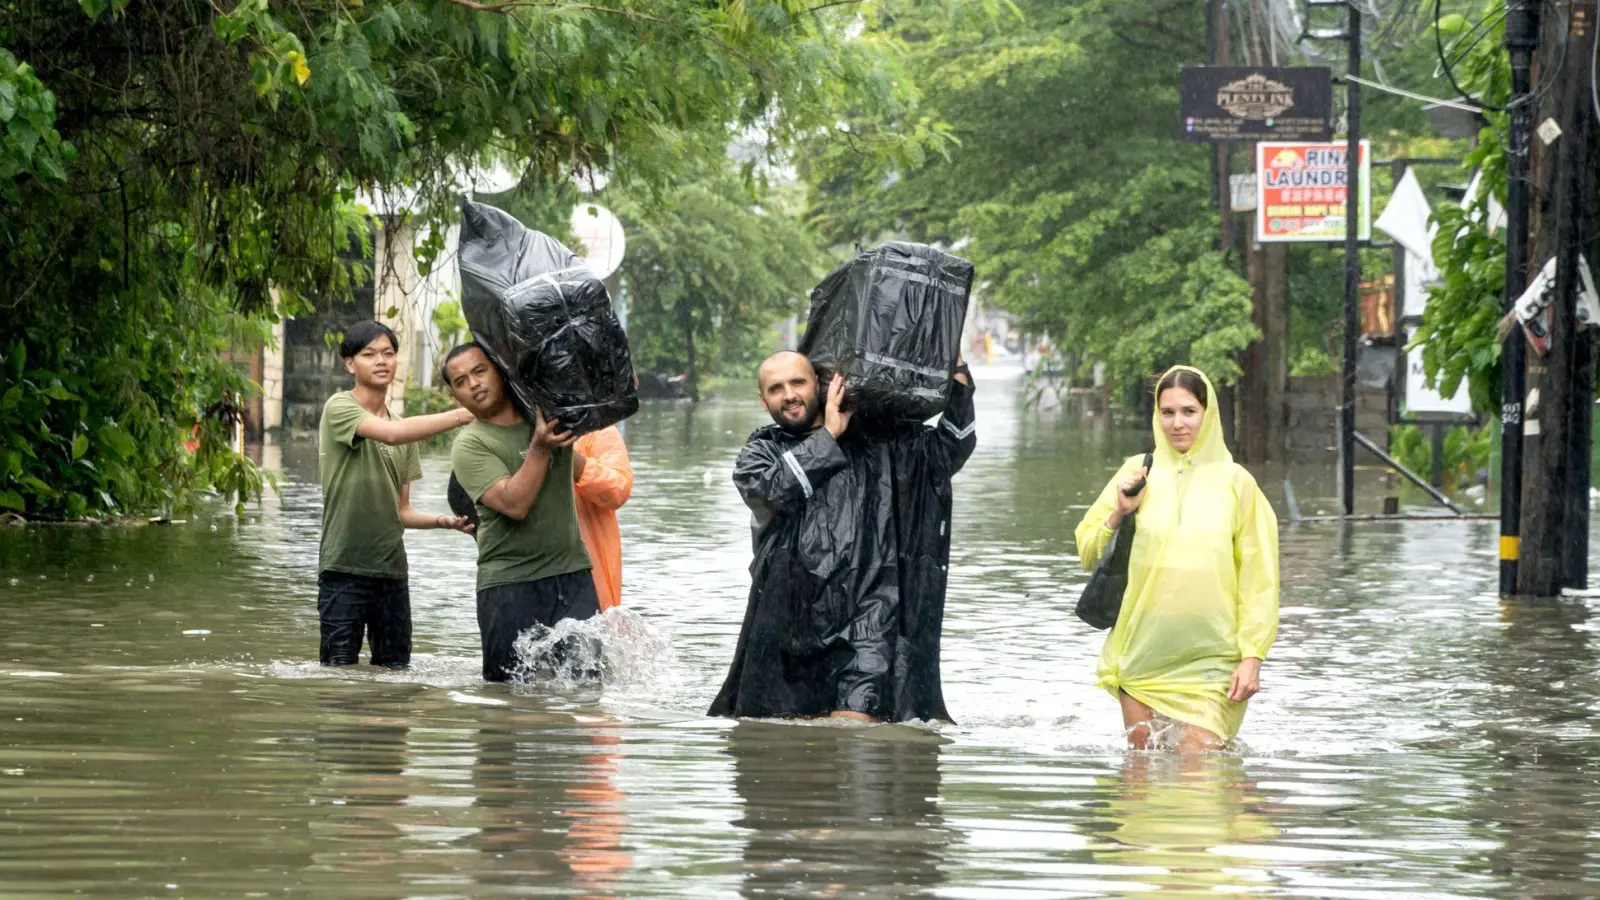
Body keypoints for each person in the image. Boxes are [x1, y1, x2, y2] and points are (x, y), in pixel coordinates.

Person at [709, 351, 976, 723]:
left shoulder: (880, 441)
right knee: (787, 745)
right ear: (763, 400)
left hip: (869, 618)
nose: (789, 394)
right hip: (791, 624)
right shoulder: (761, 452)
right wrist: (829, 435)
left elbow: (950, 449)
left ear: (819, 384)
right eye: (776, 388)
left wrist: (958, 374)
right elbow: (771, 490)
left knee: (855, 733)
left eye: (797, 382)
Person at [1074, 366, 1279, 752]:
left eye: (1188, 411)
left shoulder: (1239, 485)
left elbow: (1259, 579)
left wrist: (1253, 655)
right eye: (1167, 412)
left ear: (1209, 413)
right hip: (1142, 656)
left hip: (1213, 664)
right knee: (1139, 786)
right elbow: (1086, 548)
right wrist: (1119, 511)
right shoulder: (1137, 472)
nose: (1177, 423)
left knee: (1198, 780)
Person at [316, 321, 473, 668]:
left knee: (395, 674)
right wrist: (464, 414)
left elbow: (401, 511)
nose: (381, 361)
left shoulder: (404, 429)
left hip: (391, 572)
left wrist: (443, 522)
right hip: (344, 567)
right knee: (337, 675)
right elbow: (389, 434)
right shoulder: (339, 408)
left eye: (388, 353)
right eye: (369, 354)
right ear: (350, 363)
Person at [440, 342, 600, 682]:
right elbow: (515, 505)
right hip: (509, 586)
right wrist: (540, 447)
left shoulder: (545, 414)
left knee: (585, 692)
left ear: (499, 370)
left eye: (480, 371)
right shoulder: (469, 445)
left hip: (572, 577)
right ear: (456, 397)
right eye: (461, 381)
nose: (474, 384)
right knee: (506, 703)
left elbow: (594, 395)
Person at [572, 426, 634, 611]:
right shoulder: (502, 428)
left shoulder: (597, 431)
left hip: (591, 582)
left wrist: (566, 454)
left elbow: (617, 490)